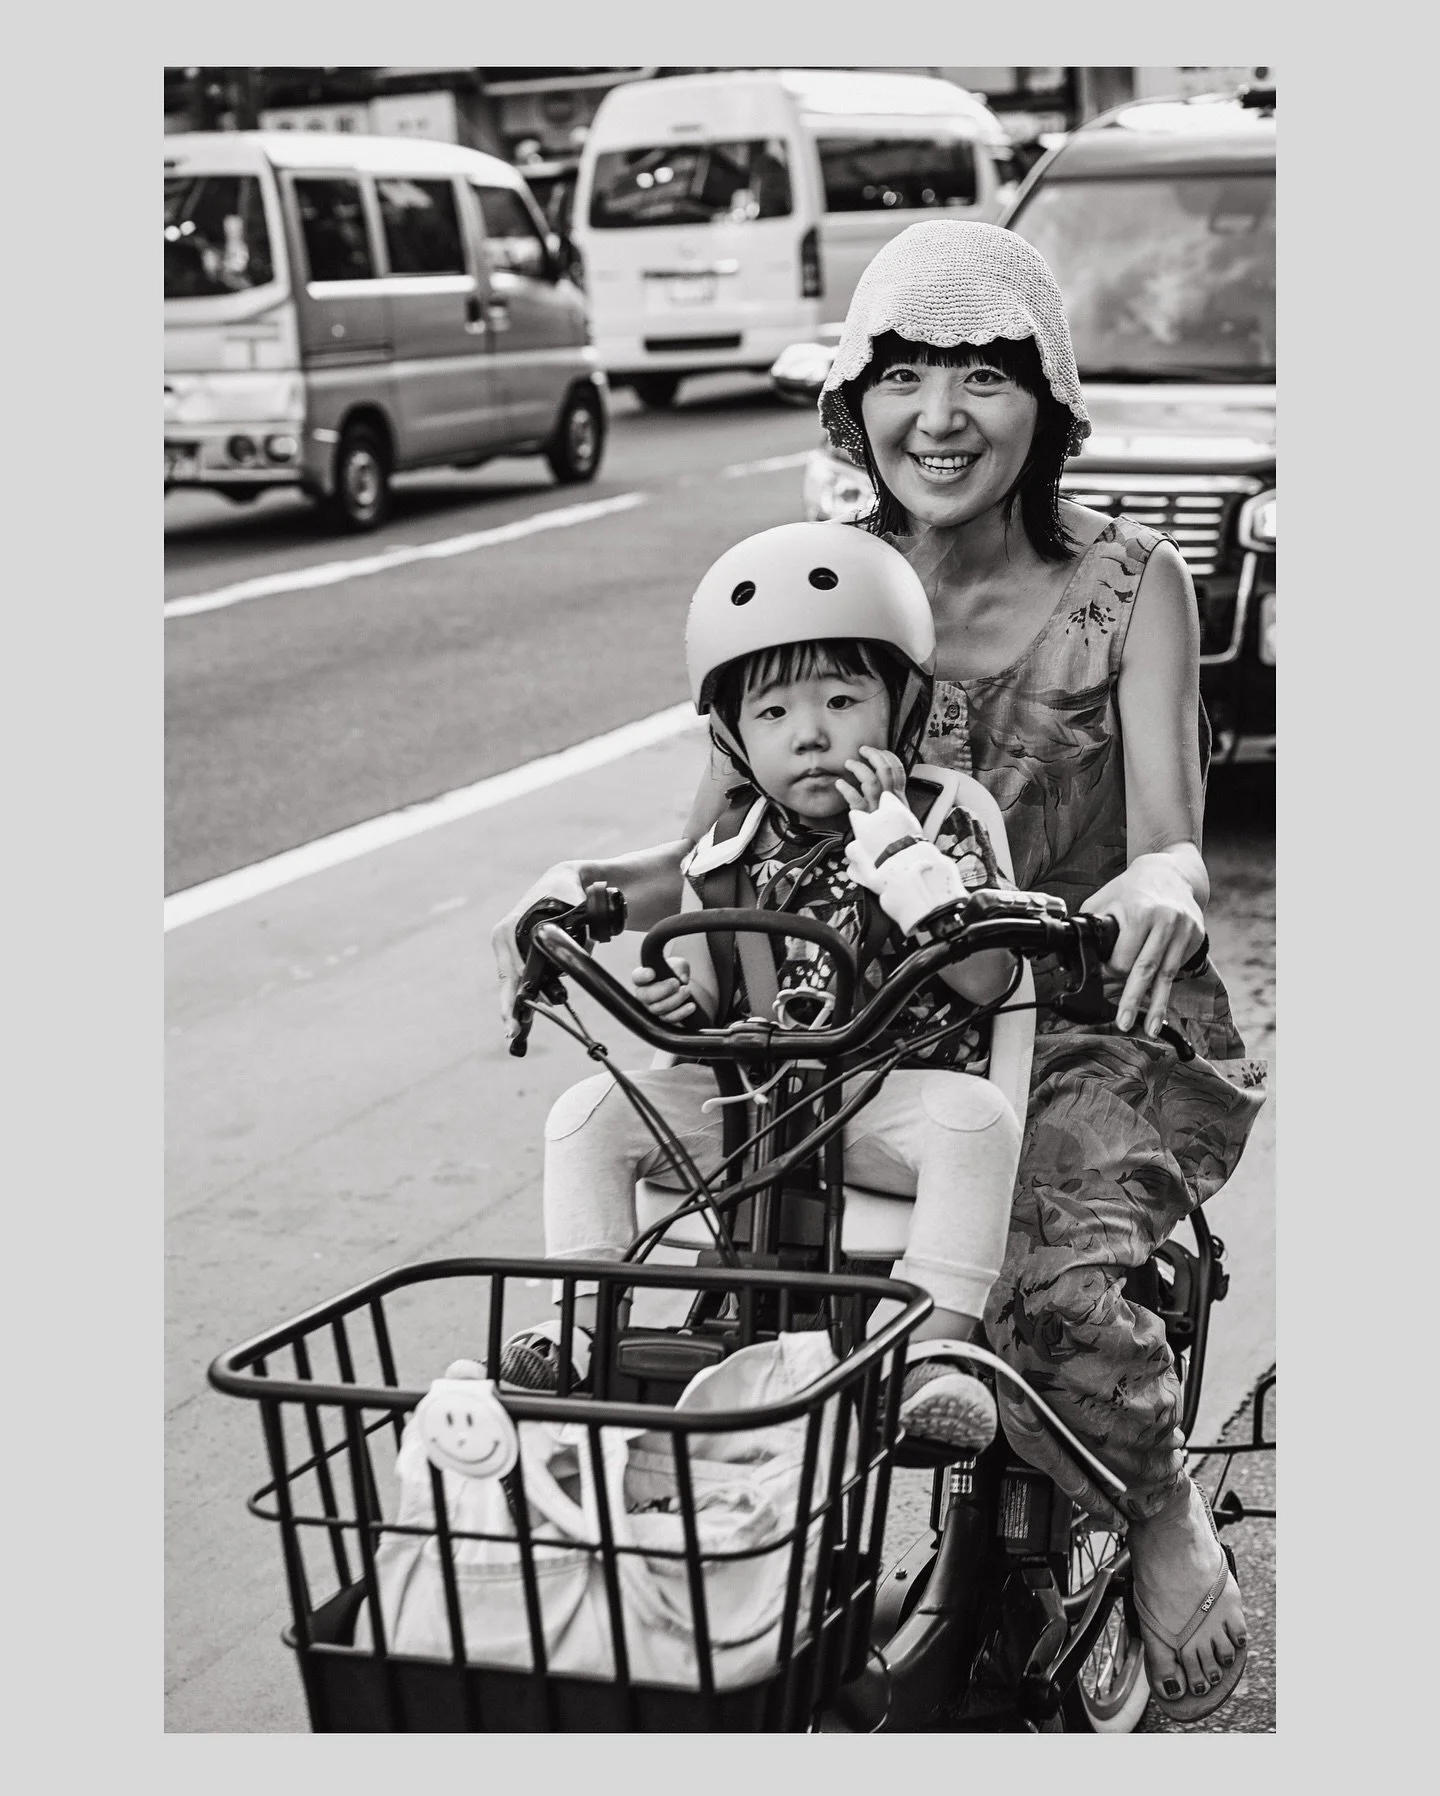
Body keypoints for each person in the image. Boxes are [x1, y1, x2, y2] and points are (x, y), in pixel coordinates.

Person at [492, 219, 1266, 1723]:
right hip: (844, 1029)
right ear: (854, 401)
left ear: (1046, 400)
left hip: (1074, 1016)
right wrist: (589, 891)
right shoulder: (816, 586)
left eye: (985, 374)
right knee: (706, 1233)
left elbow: (1173, 840)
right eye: (904, 373)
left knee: (1046, 1281)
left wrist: (1151, 888)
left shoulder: (1129, 582)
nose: (942, 416)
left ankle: (1160, 1501)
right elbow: (705, 842)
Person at [501, 523, 1026, 1452]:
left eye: (841, 698)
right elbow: (713, 987)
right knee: (585, 1114)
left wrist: (895, 851)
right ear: (734, 738)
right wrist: (680, 1004)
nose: (811, 733)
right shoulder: (735, 841)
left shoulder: (943, 821)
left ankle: (935, 1356)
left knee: (979, 1124)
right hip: (756, 1107)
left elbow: (987, 978)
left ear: (902, 708)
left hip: (881, 1100)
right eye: (774, 714)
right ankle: (575, 1328)